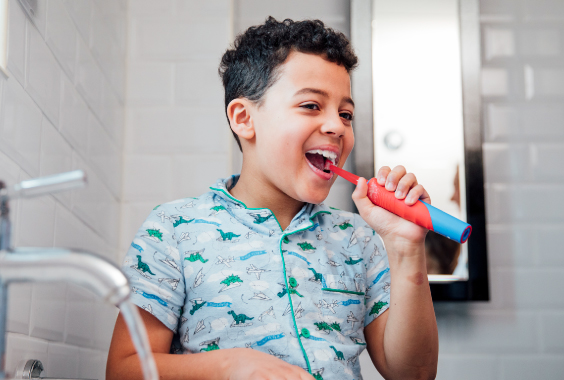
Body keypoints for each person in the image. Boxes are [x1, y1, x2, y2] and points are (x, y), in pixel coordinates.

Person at [106, 17, 438, 380]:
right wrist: (230, 366)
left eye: (346, 114)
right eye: (312, 106)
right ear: (244, 118)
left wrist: (407, 252)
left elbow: (414, 375)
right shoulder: (173, 230)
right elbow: (124, 369)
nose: (337, 126)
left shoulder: (359, 238)